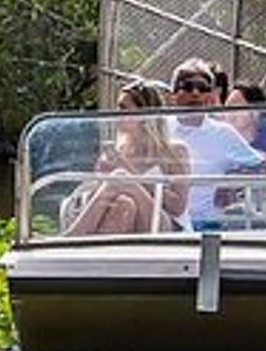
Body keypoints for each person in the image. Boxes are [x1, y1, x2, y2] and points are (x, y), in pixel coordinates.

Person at [63, 81, 190, 236]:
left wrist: (130, 173)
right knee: (124, 204)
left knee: (121, 177)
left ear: (144, 115)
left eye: (124, 108)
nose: (117, 114)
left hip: (165, 225)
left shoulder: (174, 151)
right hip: (128, 216)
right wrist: (100, 178)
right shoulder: (117, 150)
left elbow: (177, 207)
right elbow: (97, 196)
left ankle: (72, 236)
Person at [166, 57, 264, 229]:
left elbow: (261, 166)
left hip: (207, 224)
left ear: (210, 96)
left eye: (203, 88)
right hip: (166, 222)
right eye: (187, 87)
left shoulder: (223, 132)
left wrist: (231, 183)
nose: (195, 93)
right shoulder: (161, 129)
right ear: (172, 95)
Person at [222, 80, 266, 152]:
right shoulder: (220, 140)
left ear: (255, 111)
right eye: (228, 106)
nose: (229, 113)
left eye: (236, 106)